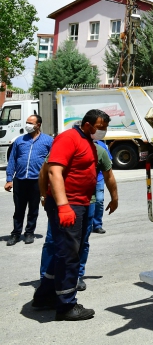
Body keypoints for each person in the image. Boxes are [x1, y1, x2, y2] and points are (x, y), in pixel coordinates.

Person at [31, 109, 114, 322]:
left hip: (81, 203)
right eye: (100, 127)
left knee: (62, 252)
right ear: (87, 125)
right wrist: (63, 206)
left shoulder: (88, 142)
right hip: (70, 204)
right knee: (70, 254)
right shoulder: (69, 138)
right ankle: (66, 305)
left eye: (105, 128)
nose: (103, 131)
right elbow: (52, 171)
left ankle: (44, 297)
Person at [38, 138, 117, 292]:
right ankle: (47, 278)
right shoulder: (63, 147)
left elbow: (109, 176)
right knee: (53, 242)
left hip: (87, 203)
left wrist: (115, 198)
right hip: (61, 203)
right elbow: (45, 172)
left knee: (81, 243)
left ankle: (76, 275)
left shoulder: (99, 150)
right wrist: (43, 195)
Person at [4, 115, 53, 246]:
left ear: (39, 125)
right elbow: (12, 160)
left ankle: (29, 233)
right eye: (27, 122)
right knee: (19, 209)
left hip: (37, 181)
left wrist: (49, 181)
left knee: (33, 209)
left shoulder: (48, 141)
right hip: (20, 180)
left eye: (30, 123)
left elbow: (52, 161)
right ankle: (15, 234)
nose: (27, 125)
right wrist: (9, 179)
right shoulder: (20, 141)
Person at [90, 140, 110, 234]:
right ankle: (87, 225)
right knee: (89, 202)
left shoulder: (101, 145)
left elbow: (108, 162)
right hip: (87, 179)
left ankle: (97, 225)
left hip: (99, 177)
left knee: (99, 200)